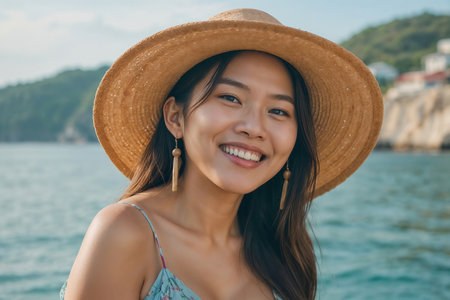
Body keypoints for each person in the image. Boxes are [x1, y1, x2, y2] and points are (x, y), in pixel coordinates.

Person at [61, 8, 383, 300]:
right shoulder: (126, 232)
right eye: (230, 98)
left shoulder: (285, 252)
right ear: (175, 117)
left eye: (279, 111)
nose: (254, 128)